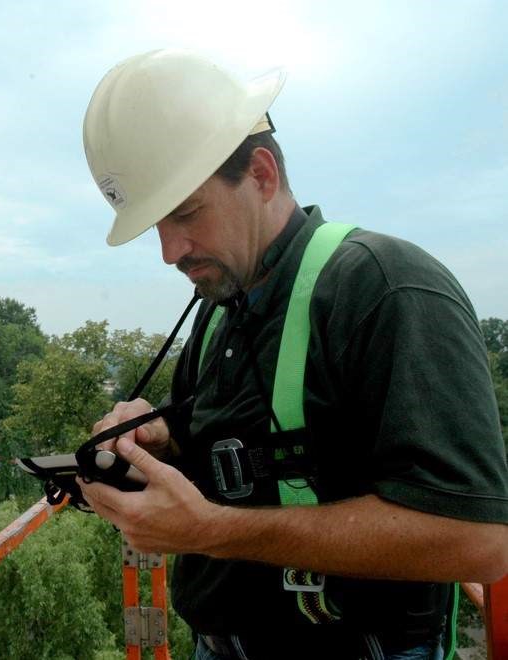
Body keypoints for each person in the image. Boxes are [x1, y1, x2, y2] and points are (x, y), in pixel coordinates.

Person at [76, 50, 508, 660]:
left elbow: (478, 541)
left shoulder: (386, 289)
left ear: (261, 174)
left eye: (186, 212)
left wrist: (212, 533)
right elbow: (234, 447)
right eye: (155, 226)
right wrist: (161, 440)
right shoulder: (223, 302)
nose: (170, 250)